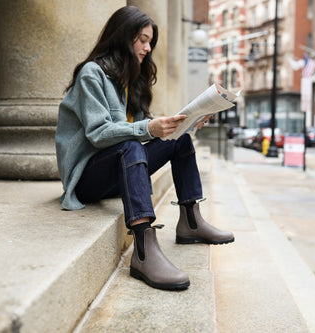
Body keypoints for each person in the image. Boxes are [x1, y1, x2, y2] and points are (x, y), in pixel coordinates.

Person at [55, 6, 234, 291]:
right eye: (142, 39)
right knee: (129, 146)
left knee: (180, 140)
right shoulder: (92, 74)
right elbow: (99, 133)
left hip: (119, 169)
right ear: (122, 37)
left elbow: (139, 129)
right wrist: (148, 129)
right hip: (87, 179)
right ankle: (143, 249)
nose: (148, 48)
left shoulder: (131, 79)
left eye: (150, 41)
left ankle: (191, 221)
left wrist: (185, 124)